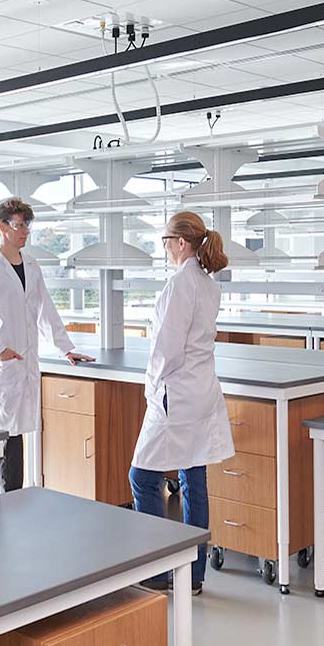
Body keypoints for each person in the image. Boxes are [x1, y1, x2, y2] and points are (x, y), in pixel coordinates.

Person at [129, 210, 234, 594]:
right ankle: (193, 576)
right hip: (201, 390)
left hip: (176, 393)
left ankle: (157, 571)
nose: (165, 248)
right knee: (193, 480)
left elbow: (167, 348)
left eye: (166, 241)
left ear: (180, 243)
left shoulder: (180, 285)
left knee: (142, 477)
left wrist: (151, 384)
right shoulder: (207, 284)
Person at [0, 197, 92, 491]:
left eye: (27, 225)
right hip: (6, 361)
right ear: (2, 228)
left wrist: (64, 347)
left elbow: (46, 309)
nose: (26, 231)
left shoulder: (31, 265)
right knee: (6, 436)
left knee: (16, 434)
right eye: (20, 225)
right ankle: (0, 496)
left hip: (26, 360)